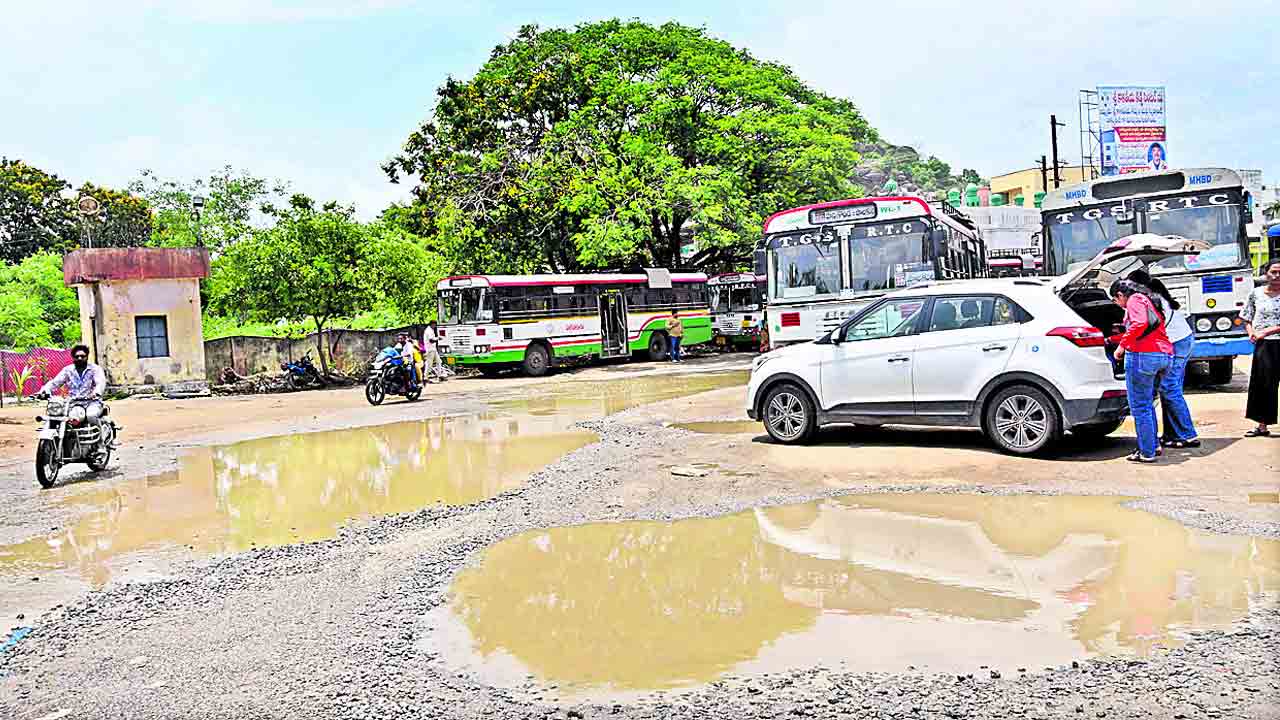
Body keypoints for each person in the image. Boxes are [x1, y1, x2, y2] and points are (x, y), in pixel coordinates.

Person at [1129, 270, 1200, 448]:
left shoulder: (1151, 298)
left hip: (1178, 342)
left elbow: (1148, 326)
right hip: (1181, 340)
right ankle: (1173, 434)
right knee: (1168, 388)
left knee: (1169, 388)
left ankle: (1187, 434)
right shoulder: (1153, 295)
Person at [1110, 279, 1173, 463]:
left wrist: (1122, 346)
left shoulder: (1134, 300)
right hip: (1163, 355)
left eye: (1115, 300)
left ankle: (1147, 452)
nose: (1118, 305)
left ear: (1121, 295)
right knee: (1147, 404)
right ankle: (1152, 445)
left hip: (1143, 356)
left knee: (1140, 406)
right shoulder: (1149, 299)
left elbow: (1140, 323)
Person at [1242, 260, 1280, 437]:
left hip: (1274, 338)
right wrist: (1251, 332)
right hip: (1264, 345)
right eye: (1273, 272)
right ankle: (1262, 425)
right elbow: (1247, 316)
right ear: (1266, 274)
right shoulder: (1256, 293)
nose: (1277, 276)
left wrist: (1267, 331)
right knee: (1263, 384)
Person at [37, 345, 106, 400]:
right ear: (73, 358)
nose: (79, 358)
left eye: (82, 356)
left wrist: (96, 393)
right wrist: (45, 390)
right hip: (72, 402)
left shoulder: (95, 369)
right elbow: (55, 383)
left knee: (93, 416)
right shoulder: (68, 370)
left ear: (87, 356)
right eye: (77, 356)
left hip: (91, 401)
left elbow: (100, 383)